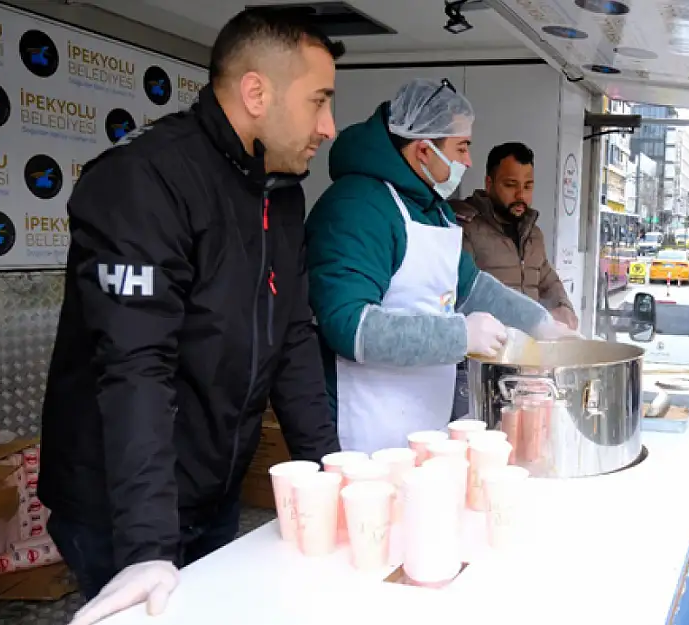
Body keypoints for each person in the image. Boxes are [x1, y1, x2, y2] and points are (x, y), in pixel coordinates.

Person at [37, 9, 343, 625]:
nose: (329, 127)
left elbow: (292, 340)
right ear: (257, 92)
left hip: (211, 487)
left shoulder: (279, 190)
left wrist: (332, 476)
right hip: (121, 505)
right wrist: (148, 546)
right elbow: (135, 368)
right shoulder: (143, 181)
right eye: (319, 102)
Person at [306, 78, 579, 454]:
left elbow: (472, 287)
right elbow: (349, 327)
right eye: (462, 147)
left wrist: (542, 324)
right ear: (423, 150)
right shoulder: (358, 207)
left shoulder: (430, 208)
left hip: (421, 420)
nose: (468, 161)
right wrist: (459, 336)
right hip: (363, 428)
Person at [451, 142, 577, 329]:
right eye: (511, 185)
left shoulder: (533, 235)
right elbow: (461, 293)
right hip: (487, 348)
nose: (521, 195)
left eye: (528, 186)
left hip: (529, 349)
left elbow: (549, 282)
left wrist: (563, 307)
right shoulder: (465, 228)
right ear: (489, 184)